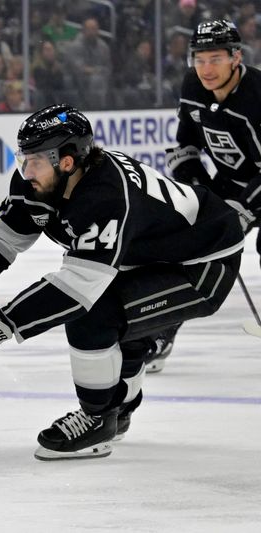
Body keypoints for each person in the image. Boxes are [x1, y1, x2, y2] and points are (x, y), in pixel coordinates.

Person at [0, 104, 243, 461]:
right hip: (145, 256)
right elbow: (1, 240)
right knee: (124, 331)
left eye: (35, 160)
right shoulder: (39, 182)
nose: (25, 171)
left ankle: (97, 419)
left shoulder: (106, 195)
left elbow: (76, 289)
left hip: (202, 262)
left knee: (96, 315)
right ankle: (119, 409)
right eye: (21, 158)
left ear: (67, 161)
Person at [165, 20, 261, 372]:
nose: (205, 69)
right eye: (199, 59)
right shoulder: (194, 84)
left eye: (215, 59)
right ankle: (161, 331)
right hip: (233, 180)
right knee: (190, 249)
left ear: (236, 57)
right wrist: (198, 187)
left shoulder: (258, 95)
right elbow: (186, 142)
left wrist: (244, 210)